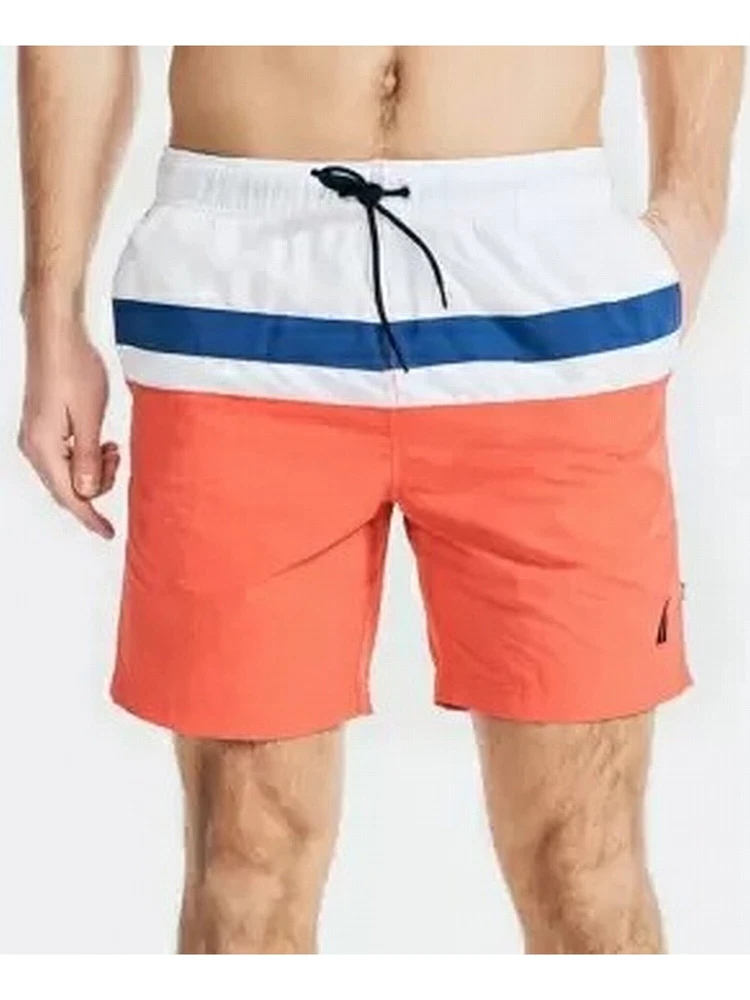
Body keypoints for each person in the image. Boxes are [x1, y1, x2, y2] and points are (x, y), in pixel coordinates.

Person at [16, 46, 744, 954]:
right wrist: (51, 311)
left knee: (585, 869)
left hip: (543, 278)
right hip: (239, 288)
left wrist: (696, 202)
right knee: (246, 865)